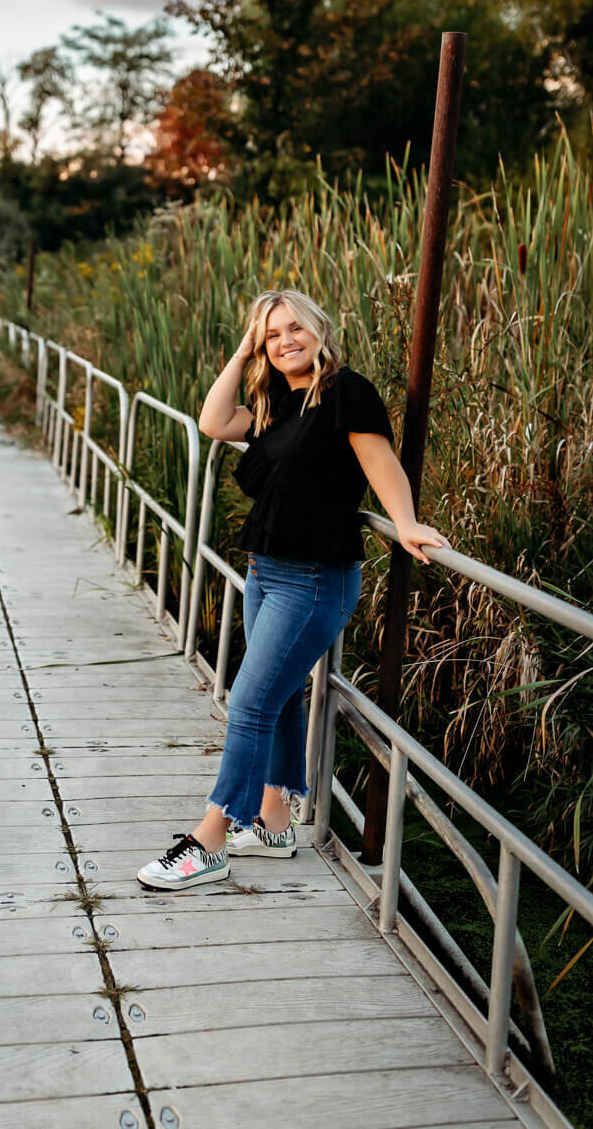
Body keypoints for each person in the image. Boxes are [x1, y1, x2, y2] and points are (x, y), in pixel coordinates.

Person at [136, 289, 450, 892]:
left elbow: (379, 460)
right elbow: (212, 421)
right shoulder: (277, 399)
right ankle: (276, 824)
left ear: (319, 329)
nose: (284, 341)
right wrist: (244, 348)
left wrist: (405, 522)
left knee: (250, 703)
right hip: (265, 571)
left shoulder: (345, 391)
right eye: (271, 334)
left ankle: (210, 841)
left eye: (293, 329)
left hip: (312, 581)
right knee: (276, 701)